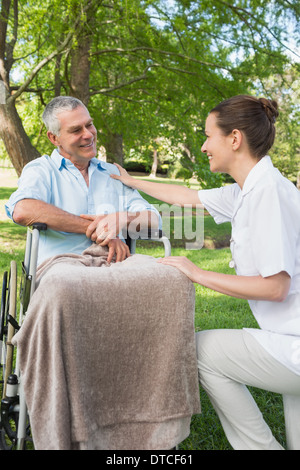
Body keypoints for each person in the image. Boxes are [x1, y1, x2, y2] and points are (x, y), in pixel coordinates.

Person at [111, 94, 300, 450]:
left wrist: (196, 272)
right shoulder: (249, 188)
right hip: (287, 335)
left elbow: (276, 287)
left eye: (208, 135)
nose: (203, 145)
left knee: (201, 350)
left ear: (234, 139)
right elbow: (188, 197)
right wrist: (132, 182)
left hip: (294, 343)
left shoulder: (269, 193)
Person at [5, 96, 160, 265]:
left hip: (115, 269)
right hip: (61, 267)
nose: (88, 134)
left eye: (89, 125)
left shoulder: (113, 173)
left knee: (174, 277)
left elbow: (153, 220)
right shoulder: (41, 170)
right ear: (54, 138)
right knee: (66, 286)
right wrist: (99, 230)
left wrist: (122, 218)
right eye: (76, 130)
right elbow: (23, 210)